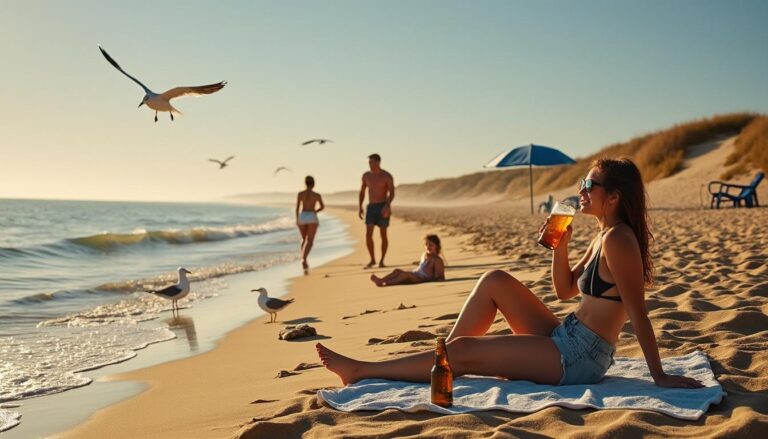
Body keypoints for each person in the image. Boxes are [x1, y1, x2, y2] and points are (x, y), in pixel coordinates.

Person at [317, 157, 704, 389]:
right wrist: (562, 246)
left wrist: (660, 375)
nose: (582, 190)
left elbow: (638, 312)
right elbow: (566, 291)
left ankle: (363, 370)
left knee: (467, 350)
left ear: (615, 195)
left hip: (580, 357)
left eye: (590, 184)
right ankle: (443, 363)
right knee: (495, 280)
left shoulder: (620, 240)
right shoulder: (603, 234)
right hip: (567, 334)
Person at [359, 153, 395, 269]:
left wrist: (387, 205)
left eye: (372, 162)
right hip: (371, 207)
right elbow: (362, 191)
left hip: (383, 206)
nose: (370, 164)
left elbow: (392, 192)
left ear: (378, 162)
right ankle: (372, 259)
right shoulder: (366, 176)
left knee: (383, 234)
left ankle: (382, 261)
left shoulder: (386, 176)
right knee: (368, 234)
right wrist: (360, 206)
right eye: (369, 162)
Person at [371, 234, 445, 287]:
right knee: (397, 271)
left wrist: (433, 280)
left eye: (430, 245)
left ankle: (386, 282)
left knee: (406, 274)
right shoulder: (425, 254)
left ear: (436, 246)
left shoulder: (437, 260)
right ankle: (382, 280)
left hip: (422, 279)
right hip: (416, 274)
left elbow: (440, 276)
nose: (428, 247)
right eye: (426, 244)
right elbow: (422, 266)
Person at [296, 175, 324, 270]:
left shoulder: (300, 194)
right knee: (310, 240)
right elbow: (322, 206)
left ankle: (303, 258)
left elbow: (297, 208)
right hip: (311, 215)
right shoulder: (316, 195)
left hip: (302, 216)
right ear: (313, 183)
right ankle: (304, 259)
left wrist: (297, 219)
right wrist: (315, 211)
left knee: (304, 239)